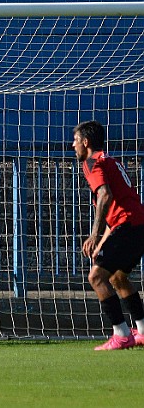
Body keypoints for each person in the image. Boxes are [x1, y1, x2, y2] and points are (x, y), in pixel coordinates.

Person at [72, 120, 144, 350]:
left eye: (75, 141)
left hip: (128, 226)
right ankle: (142, 331)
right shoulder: (109, 161)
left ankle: (122, 334)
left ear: (86, 142)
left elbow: (105, 196)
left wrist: (94, 235)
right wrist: (101, 242)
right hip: (137, 226)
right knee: (117, 277)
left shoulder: (92, 162)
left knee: (96, 278)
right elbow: (119, 208)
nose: (73, 146)